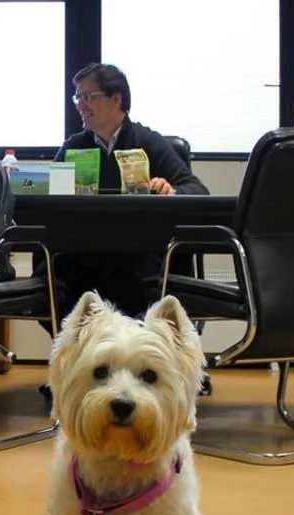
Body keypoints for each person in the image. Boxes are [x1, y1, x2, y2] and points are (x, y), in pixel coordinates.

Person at [34, 63, 210, 335]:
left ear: (116, 99)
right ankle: (73, 368)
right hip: (83, 252)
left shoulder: (148, 142)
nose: (81, 105)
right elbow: (50, 202)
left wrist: (169, 190)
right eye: (78, 98)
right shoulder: (73, 147)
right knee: (51, 278)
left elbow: (197, 190)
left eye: (89, 97)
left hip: (136, 253)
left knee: (145, 278)